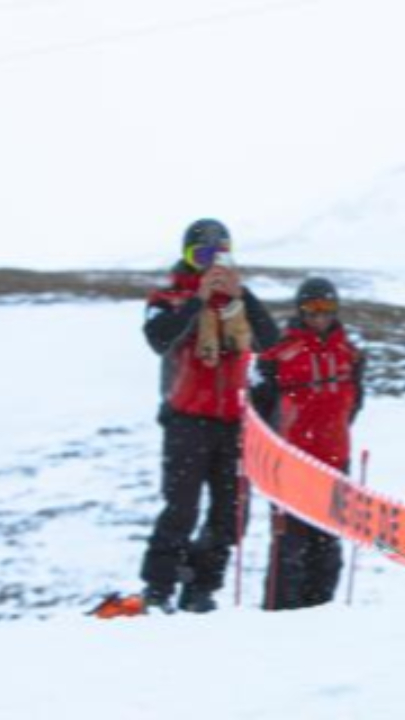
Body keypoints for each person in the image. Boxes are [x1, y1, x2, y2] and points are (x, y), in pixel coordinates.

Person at [140, 218, 279, 613]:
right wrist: (198, 300)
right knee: (181, 508)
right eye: (200, 255)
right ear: (186, 257)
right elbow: (158, 339)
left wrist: (243, 298)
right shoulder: (167, 298)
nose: (211, 264)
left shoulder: (239, 300)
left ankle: (201, 588)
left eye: (219, 255)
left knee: (229, 514)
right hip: (186, 418)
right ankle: (159, 588)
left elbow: (272, 343)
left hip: (232, 422)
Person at [251, 277, 365, 611]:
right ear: (300, 310)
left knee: (327, 544)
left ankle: (321, 613)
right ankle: (279, 614)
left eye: (326, 307)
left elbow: (355, 404)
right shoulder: (277, 355)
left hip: (334, 460)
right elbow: (260, 409)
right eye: (312, 307)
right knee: (289, 546)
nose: (319, 315)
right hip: (290, 463)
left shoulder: (351, 355)